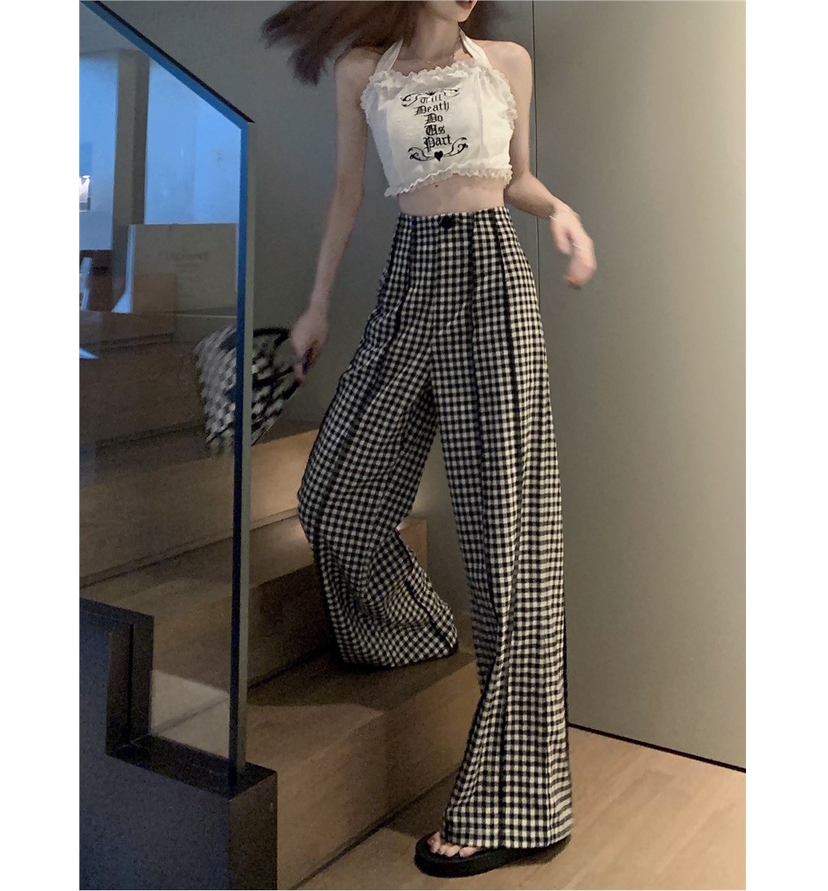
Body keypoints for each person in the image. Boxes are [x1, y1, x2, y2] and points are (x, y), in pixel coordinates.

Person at [261, 0, 597, 879]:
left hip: (493, 277)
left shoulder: (506, 62)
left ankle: (519, 807)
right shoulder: (361, 73)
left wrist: (558, 210)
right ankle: (408, 628)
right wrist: (316, 306)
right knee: (333, 496)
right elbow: (346, 193)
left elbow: (517, 179)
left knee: (508, 548)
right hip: (412, 273)